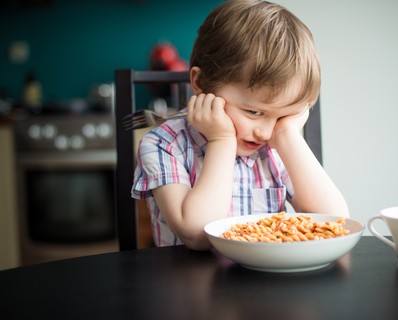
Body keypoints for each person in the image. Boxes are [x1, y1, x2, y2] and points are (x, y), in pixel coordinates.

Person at [132, 0, 349, 250]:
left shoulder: (277, 144)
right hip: (188, 284)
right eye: (254, 111)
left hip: (267, 281)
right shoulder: (163, 144)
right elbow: (197, 235)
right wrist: (221, 141)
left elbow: (334, 222)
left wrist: (289, 135)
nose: (266, 132)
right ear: (201, 84)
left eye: (281, 116)